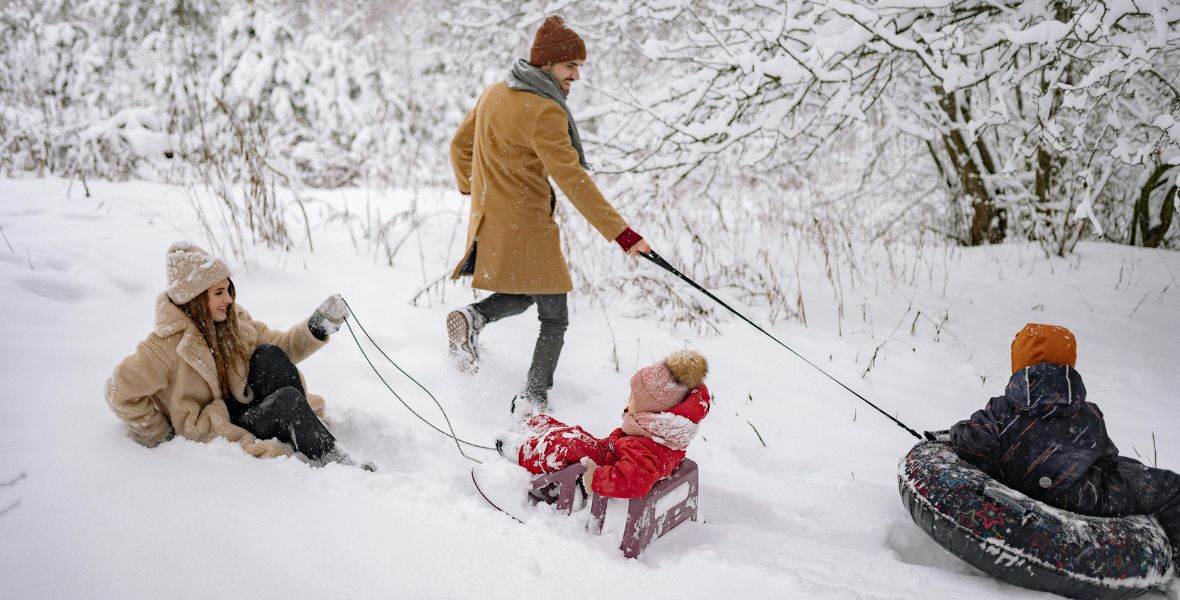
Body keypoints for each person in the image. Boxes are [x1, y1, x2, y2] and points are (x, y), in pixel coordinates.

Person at [446, 14, 652, 416]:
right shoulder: (546, 112)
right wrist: (623, 234)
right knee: (554, 317)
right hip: (529, 226)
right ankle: (533, 401)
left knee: (524, 294)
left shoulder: (494, 93)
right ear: (546, 64)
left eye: (579, 66)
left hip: (493, 218)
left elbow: (458, 147)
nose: (576, 75)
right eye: (570, 65)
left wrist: (475, 191)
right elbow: (573, 180)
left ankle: (472, 318)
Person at [105, 241, 372, 470]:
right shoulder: (164, 347)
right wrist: (160, 433)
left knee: (269, 355)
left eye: (228, 290)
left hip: (245, 402)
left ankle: (306, 432)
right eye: (218, 293)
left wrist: (317, 326)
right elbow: (119, 392)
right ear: (196, 299)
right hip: (221, 424)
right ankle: (334, 460)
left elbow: (281, 346)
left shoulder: (233, 321)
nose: (229, 299)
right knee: (288, 401)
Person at [945, 323, 1178, 559]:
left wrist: (957, 432)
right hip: (1080, 499)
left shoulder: (1000, 409)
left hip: (1015, 483)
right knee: (1169, 488)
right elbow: (1106, 457)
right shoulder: (1089, 415)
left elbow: (972, 443)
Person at [499, 350, 710, 499]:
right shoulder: (660, 434)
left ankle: (520, 452)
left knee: (567, 445)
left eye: (634, 398)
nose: (628, 400)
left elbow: (634, 481)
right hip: (609, 454)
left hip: (603, 465)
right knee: (573, 434)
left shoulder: (646, 447)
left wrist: (596, 477)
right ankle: (530, 424)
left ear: (652, 411)